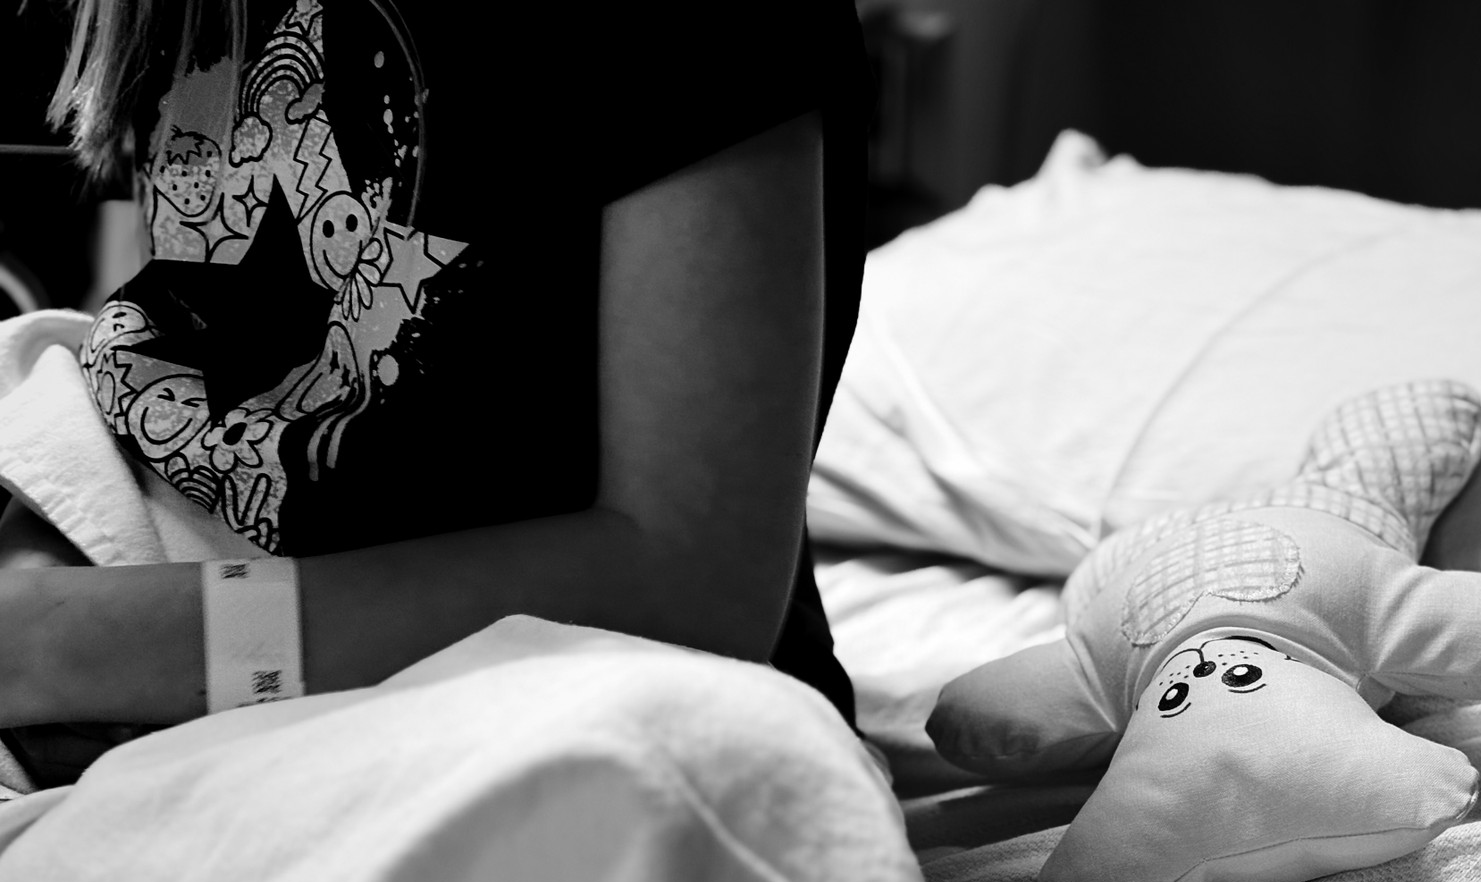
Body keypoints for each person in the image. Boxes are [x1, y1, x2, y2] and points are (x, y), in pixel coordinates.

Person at [0, 0, 869, 783]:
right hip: (113, 603)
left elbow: (695, 596)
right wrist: (46, 553)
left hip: (529, 709)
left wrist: (62, 643)